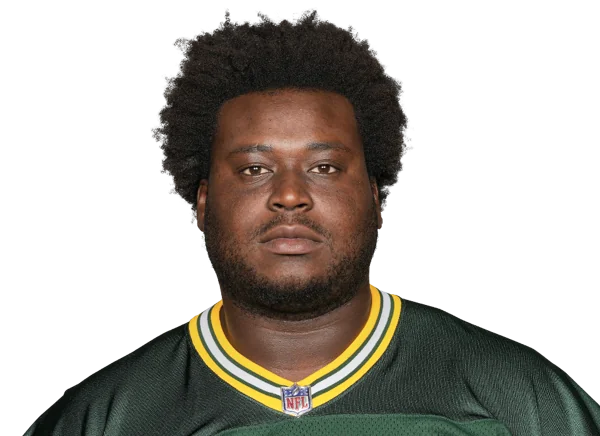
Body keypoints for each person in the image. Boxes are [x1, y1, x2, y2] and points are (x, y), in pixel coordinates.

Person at [25, 8, 599, 436]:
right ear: (202, 202)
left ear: (373, 198)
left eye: (324, 167)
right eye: (254, 169)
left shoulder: (516, 399)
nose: (290, 195)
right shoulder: (108, 417)